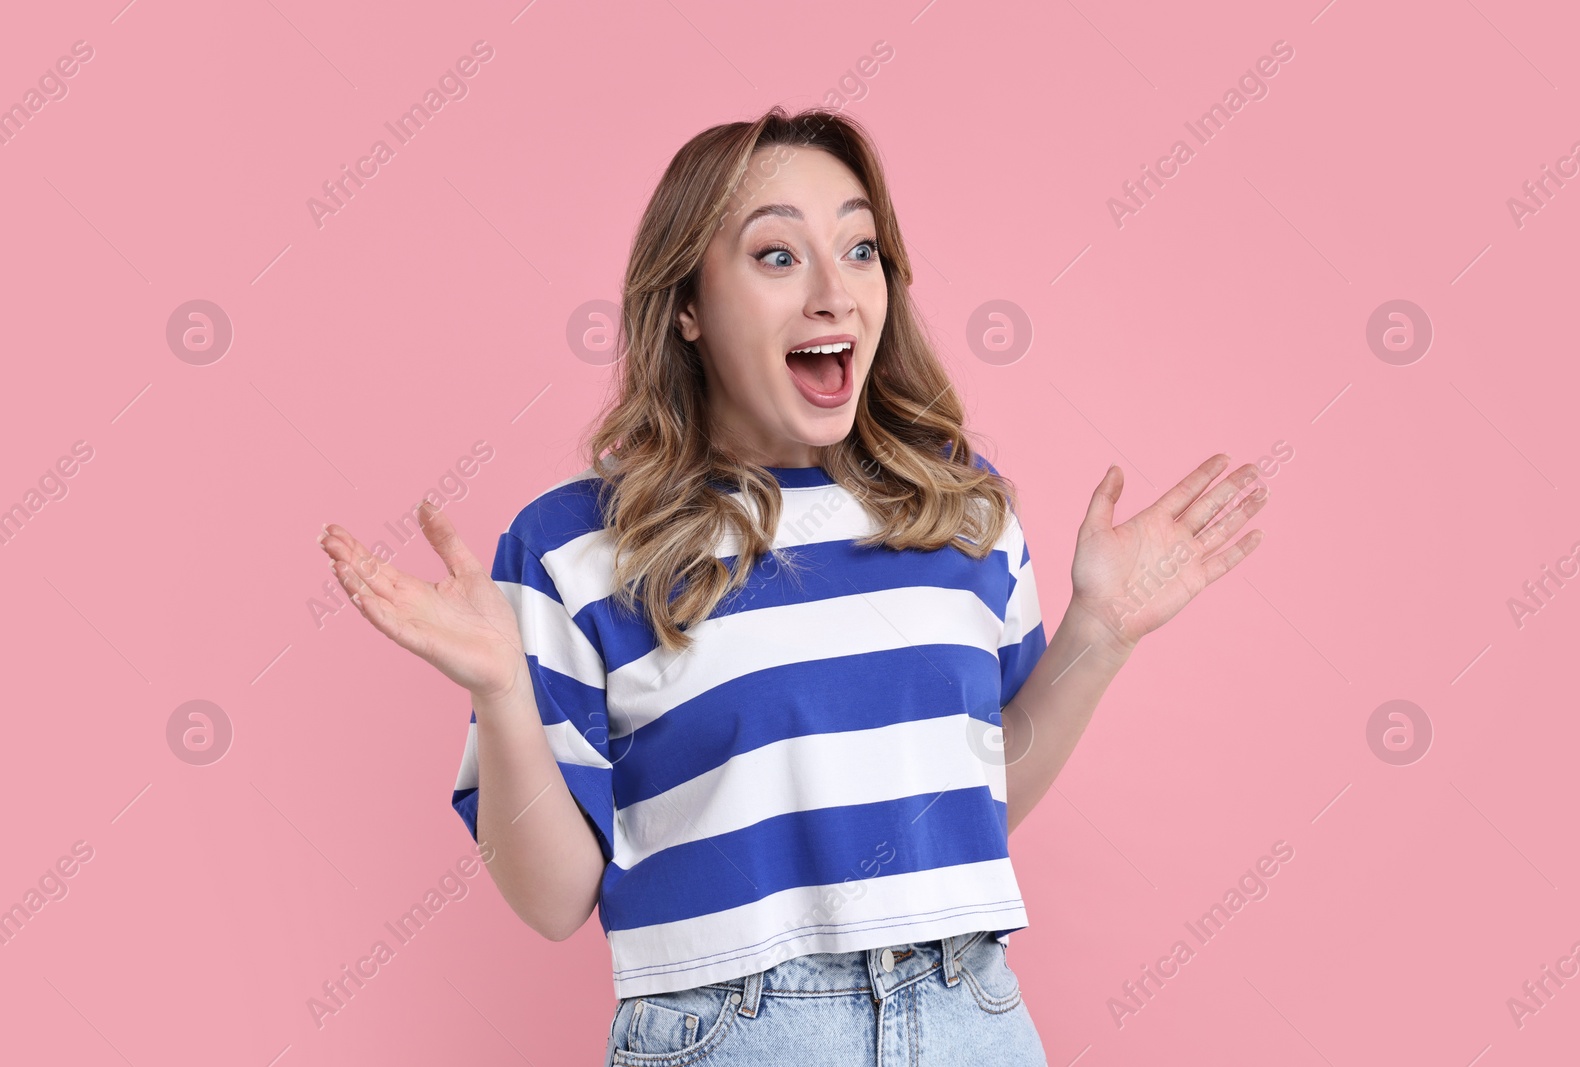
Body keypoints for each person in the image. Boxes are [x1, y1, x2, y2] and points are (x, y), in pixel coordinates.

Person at [315, 105, 1269, 1066]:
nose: (834, 293)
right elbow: (554, 897)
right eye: (778, 256)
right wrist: (502, 693)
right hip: (734, 1031)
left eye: (860, 249)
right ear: (686, 304)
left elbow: (977, 789)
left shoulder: (960, 512)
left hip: (971, 1013)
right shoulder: (577, 547)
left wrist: (1098, 633)